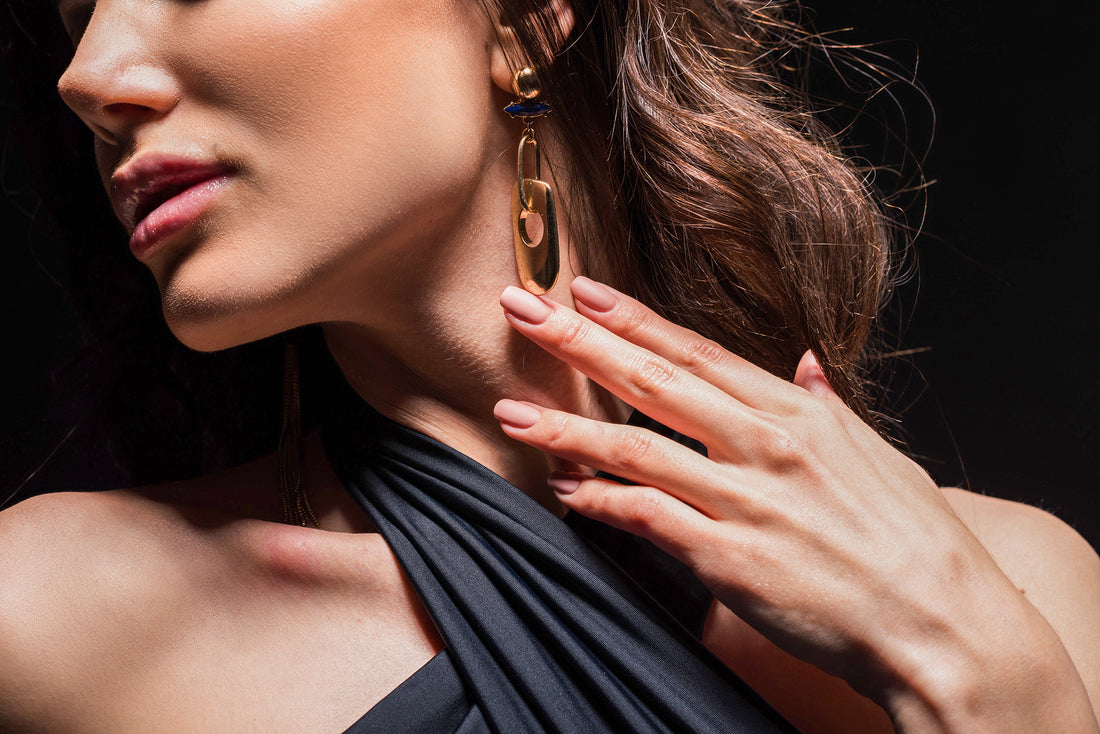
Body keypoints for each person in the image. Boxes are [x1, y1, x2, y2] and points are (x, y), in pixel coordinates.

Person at [1, 0, 1097, 731]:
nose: (89, 72)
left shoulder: (1012, 592)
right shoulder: (53, 615)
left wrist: (998, 691)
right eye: (75, 9)